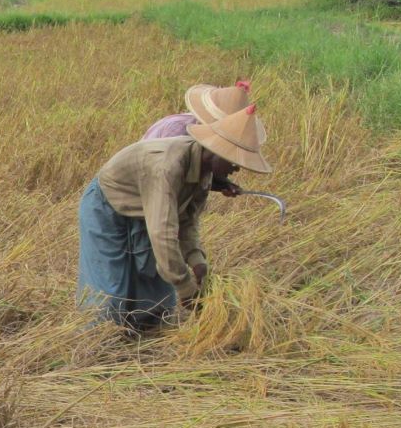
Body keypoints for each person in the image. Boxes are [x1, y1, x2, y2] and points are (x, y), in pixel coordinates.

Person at [78, 104, 273, 332]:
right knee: (110, 288)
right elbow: (163, 234)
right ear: (216, 152)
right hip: (107, 207)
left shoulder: (204, 171)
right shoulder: (167, 167)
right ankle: (97, 345)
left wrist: (196, 260)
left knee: (154, 292)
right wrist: (185, 287)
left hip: (143, 209)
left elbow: (187, 221)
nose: (236, 170)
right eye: (233, 162)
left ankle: (141, 338)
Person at [143, 80, 264, 200]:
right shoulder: (178, 131)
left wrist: (221, 183)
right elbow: (162, 178)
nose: (236, 168)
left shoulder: (206, 143)